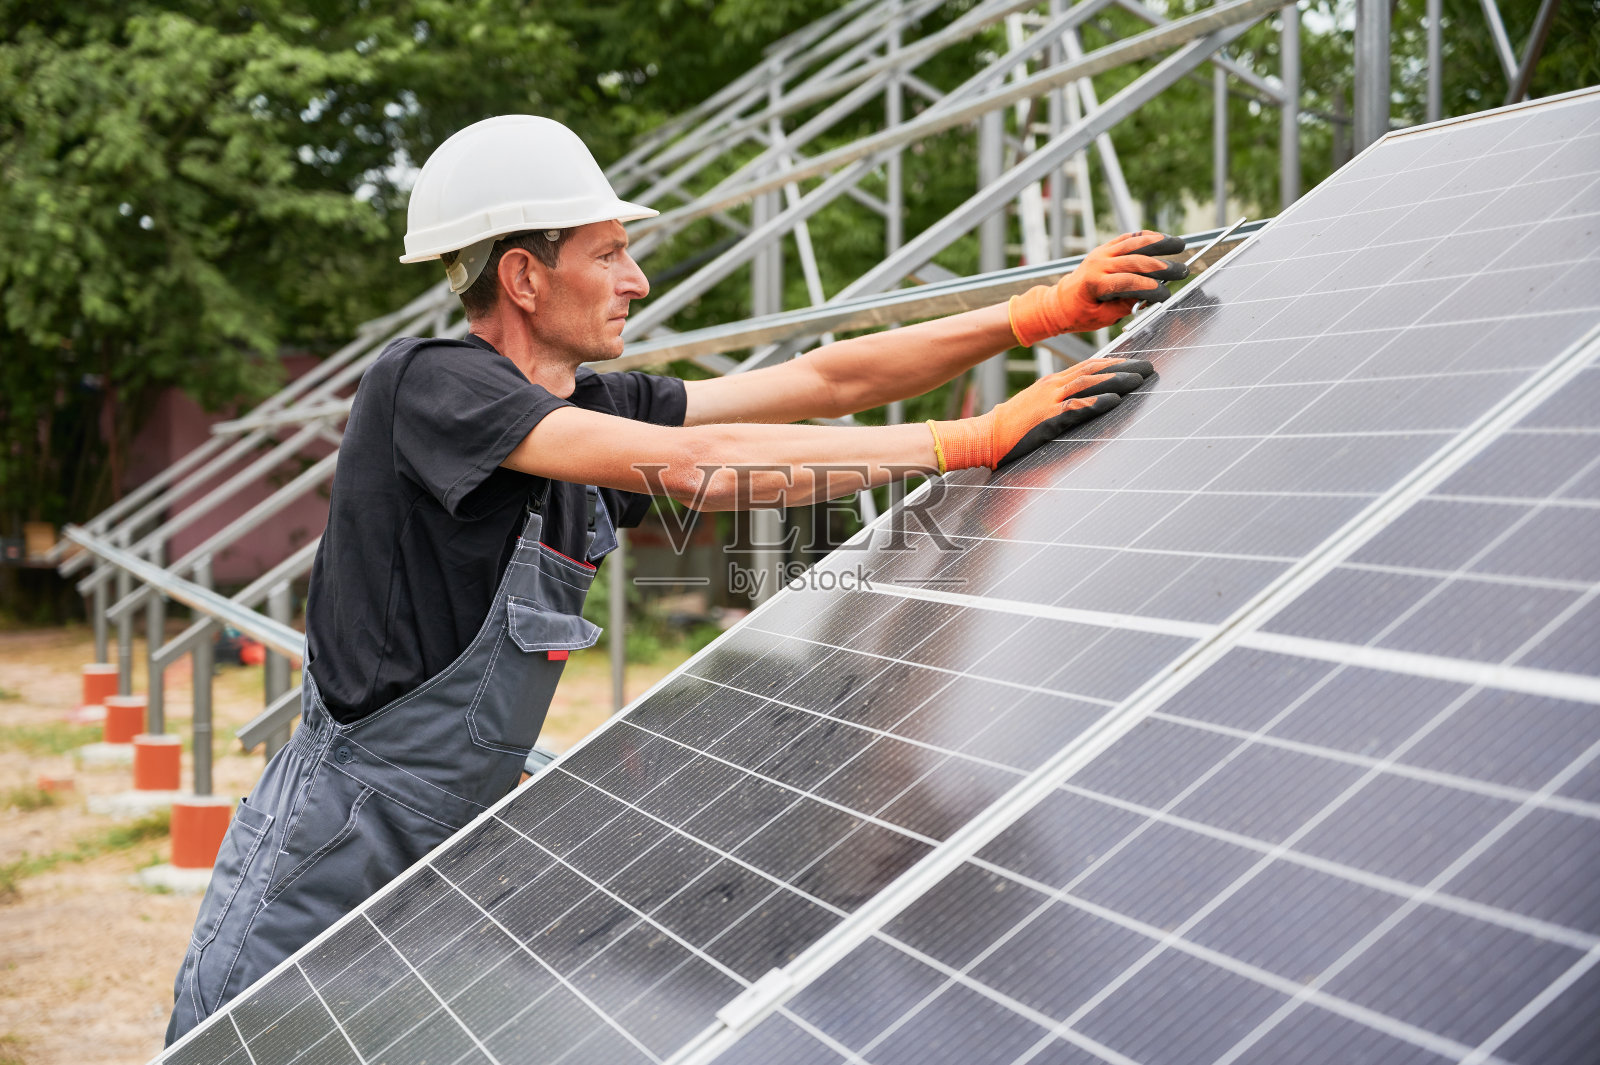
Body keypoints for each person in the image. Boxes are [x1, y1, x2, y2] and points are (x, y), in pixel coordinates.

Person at [164, 114, 1186, 1043]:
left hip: (461, 844)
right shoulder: (428, 385)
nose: (636, 280)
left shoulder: (591, 404)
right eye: (610, 255)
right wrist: (969, 438)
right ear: (522, 277)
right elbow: (701, 465)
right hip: (341, 834)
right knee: (242, 1041)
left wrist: (1035, 314)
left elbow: (821, 381)